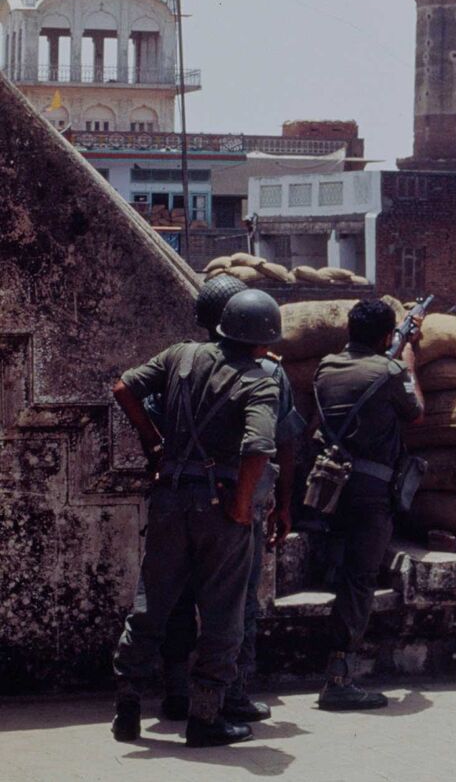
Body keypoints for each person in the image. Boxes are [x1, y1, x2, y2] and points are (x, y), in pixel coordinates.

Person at [111, 287, 282, 747]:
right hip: (220, 508)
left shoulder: (180, 356)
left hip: (169, 498)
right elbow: (259, 446)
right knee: (223, 616)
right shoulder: (259, 380)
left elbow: (124, 386)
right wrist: (243, 505)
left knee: (152, 605)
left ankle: (127, 705)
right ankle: (205, 719)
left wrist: (152, 442)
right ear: (263, 341)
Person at [159, 275, 305, 725]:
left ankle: (177, 694)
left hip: (177, 497)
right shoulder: (267, 372)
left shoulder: (180, 362)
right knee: (238, 602)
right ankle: (232, 695)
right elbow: (281, 443)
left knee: (176, 597)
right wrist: (282, 505)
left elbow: (149, 416)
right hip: (237, 504)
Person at [312, 298, 425, 710]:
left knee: (343, 570)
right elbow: (415, 415)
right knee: (359, 579)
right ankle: (338, 678)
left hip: (329, 487)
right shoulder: (391, 370)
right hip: (369, 492)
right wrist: (407, 354)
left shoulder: (325, 365)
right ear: (385, 336)